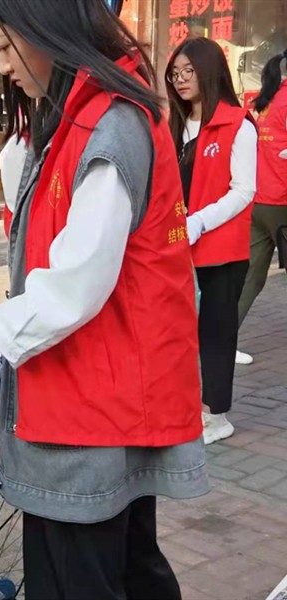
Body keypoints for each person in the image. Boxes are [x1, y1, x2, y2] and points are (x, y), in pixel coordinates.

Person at [0, 1, 208, 598]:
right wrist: (5, 357)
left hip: (92, 415)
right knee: (128, 572)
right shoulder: (76, 121)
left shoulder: (109, 128)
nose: (2, 67)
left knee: (83, 579)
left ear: (47, 30)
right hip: (85, 398)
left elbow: (73, 287)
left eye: (5, 46)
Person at [165, 37, 257, 445]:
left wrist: (199, 222)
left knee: (216, 333)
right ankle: (185, 407)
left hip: (220, 249)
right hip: (176, 247)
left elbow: (243, 190)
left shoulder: (239, 124)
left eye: (188, 71)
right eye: (175, 73)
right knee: (177, 331)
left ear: (210, 70)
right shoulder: (175, 124)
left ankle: (216, 416)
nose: (181, 80)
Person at [236, 49, 287, 365]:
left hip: (259, 201)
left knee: (251, 277)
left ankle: (222, 341)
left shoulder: (269, 99)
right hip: (281, 202)